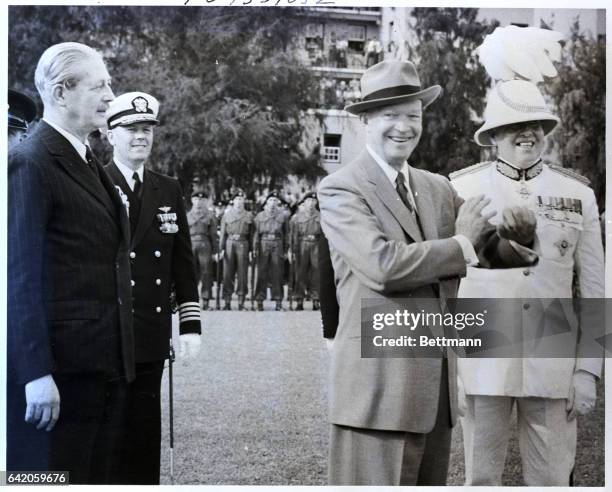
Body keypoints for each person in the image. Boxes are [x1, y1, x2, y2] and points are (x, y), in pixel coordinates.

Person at [317, 59, 539, 486]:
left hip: (433, 398)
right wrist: (461, 244)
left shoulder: (436, 186)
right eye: (391, 115)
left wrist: (525, 239)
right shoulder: (342, 187)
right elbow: (382, 266)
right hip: (376, 397)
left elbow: (490, 252)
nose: (404, 126)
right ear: (365, 120)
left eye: (413, 116)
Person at [451, 79, 604, 486]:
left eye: (537, 123)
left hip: (552, 356)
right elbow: (446, 285)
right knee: (481, 480)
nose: (528, 131)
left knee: (552, 480)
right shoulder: (460, 189)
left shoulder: (577, 194)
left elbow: (595, 289)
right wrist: (451, 369)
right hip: (482, 356)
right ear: (493, 137)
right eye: (515, 124)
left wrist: (588, 370)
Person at [7, 42, 133, 484]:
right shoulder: (30, 162)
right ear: (61, 93)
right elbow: (18, 278)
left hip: (98, 370)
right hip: (60, 378)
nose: (110, 96)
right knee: (51, 480)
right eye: (100, 85)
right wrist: (36, 373)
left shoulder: (85, 160)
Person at [103, 91, 202, 484]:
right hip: (109, 331)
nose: (140, 137)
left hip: (150, 331)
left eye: (147, 130)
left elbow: (182, 260)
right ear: (111, 135)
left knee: (145, 434)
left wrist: (190, 324)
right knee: (110, 435)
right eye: (131, 129)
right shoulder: (96, 181)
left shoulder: (168, 188)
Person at [253, 191, 288, 311]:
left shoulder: (283, 216)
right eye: (270, 201)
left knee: (277, 273)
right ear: (266, 203)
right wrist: (255, 248)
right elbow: (256, 234)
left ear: (277, 202)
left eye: (275, 200)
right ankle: (259, 301)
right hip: (263, 243)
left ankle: (278, 301)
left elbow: (286, 234)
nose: (273, 203)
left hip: (277, 243)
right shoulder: (259, 216)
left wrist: (286, 249)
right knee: (262, 273)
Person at [220, 191, 253, 310]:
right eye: (237, 199)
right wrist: (221, 248)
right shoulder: (227, 215)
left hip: (243, 243)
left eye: (241, 199)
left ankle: (241, 302)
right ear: (233, 201)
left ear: (244, 201)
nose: (239, 201)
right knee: (227, 273)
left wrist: (251, 250)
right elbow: (223, 233)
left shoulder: (249, 215)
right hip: (229, 243)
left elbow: (252, 234)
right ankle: (227, 302)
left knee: (242, 273)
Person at [188, 187, 219, 310]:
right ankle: (191, 300)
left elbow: (213, 235)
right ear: (192, 201)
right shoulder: (186, 215)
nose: (199, 202)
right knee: (191, 273)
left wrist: (215, 251)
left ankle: (205, 299)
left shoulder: (210, 216)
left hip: (205, 245)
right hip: (190, 245)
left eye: (201, 199)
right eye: (196, 199)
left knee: (206, 272)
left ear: (205, 201)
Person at [291, 192, 322, 311]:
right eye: (308, 201)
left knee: (316, 273)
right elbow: (293, 235)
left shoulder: (321, 216)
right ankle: (299, 299)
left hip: (316, 245)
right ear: (304, 203)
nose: (311, 204)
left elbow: (324, 236)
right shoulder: (297, 218)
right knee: (300, 273)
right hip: (301, 245)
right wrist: (293, 250)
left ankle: (316, 299)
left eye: (313, 201)